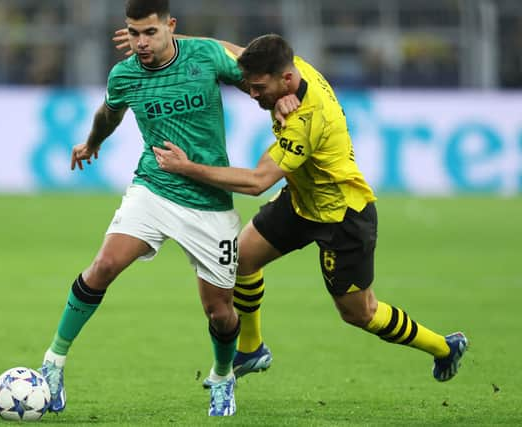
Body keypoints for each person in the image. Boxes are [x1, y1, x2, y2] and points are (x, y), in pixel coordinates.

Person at [153, 34, 468, 387]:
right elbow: (233, 50)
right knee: (242, 260)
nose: (252, 94)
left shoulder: (306, 120)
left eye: (258, 88)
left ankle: (444, 347)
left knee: (359, 312)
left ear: (285, 81)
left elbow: (257, 181)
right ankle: (251, 348)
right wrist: (171, 38)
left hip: (341, 215)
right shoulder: (291, 68)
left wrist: (187, 167)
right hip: (302, 200)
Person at [40, 0, 249, 417]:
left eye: (150, 32)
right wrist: (93, 142)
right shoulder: (125, 74)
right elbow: (109, 112)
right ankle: (52, 364)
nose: (140, 43)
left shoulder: (204, 56)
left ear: (171, 26)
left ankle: (223, 377)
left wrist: (283, 101)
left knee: (220, 311)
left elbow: (250, 67)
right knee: (102, 267)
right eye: (133, 34)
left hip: (209, 202)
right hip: (153, 189)